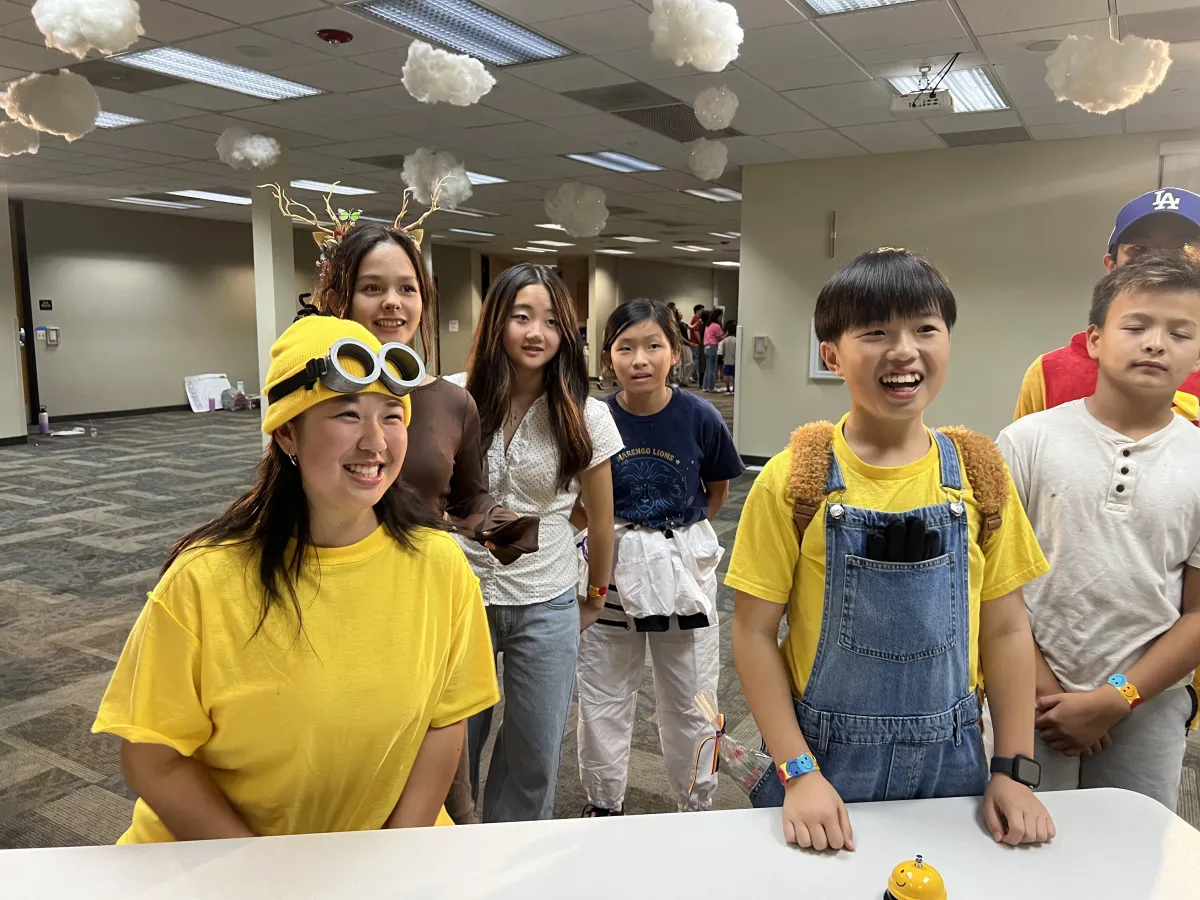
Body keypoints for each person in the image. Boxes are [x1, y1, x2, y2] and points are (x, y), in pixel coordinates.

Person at [92, 315, 499, 843]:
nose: (375, 442)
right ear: (287, 431)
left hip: (376, 859)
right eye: (348, 414)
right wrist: (262, 870)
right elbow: (152, 757)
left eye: (391, 416)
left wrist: (396, 857)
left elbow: (445, 721)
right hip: (222, 860)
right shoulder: (204, 581)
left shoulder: (439, 564)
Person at [726, 248, 1055, 852]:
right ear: (831, 354)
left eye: (925, 328)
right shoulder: (793, 481)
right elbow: (752, 632)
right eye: (875, 332)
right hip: (823, 759)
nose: (904, 350)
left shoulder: (981, 477)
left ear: (948, 340)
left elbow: (1007, 629)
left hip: (954, 757)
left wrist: (1013, 769)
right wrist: (798, 771)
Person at [310, 223, 535, 824]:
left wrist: (499, 522)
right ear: (339, 297)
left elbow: (465, 494)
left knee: (436, 763)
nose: (392, 303)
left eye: (407, 289)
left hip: (418, 595)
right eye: (372, 288)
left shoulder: (450, 401)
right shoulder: (312, 389)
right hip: (329, 590)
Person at [997, 250, 1200, 810]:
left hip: (1148, 702)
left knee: (1131, 840)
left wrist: (1116, 699)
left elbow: (1197, 612)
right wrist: (1044, 688)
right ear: (1093, 340)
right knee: (1021, 836)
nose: (1156, 343)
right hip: (1027, 691)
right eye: (1136, 326)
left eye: (1180, 332)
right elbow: (991, 585)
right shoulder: (1027, 442)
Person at [449, 263, 624, 823]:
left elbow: (601, 519)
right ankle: (446, 850)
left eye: (551, 321)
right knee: (450, 750)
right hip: (459, 595)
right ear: (496, 321)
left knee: (534, 753)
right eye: (521, 317)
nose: (536, 333)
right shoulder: (452, 397)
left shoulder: (586, 413)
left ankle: (515, 854)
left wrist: (595, 596)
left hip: (546, 597)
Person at [574, 299, 744, 817]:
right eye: (625, 348)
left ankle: (695, 803)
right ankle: (604, 803)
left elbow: (716, 491)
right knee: (604, 691)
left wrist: (670, 540)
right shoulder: (594, 417)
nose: (640, 359)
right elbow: (577, 500)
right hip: (610, 573)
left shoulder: (700, 416)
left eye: (653, 345)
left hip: (680, 576)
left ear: (675, 352)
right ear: (608, 356)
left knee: (691, 695)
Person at [1013, 187, 1200, 424]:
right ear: (1111, 266)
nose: (1160, 262)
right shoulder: (1049, 372)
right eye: (1140, 250)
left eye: (1185, 250)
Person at [702, 308, 724, 393]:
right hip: (712, 347)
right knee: (712, 368)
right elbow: (719, 338)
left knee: (708, 368)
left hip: (706, 347)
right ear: (717, 316)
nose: (721, 318)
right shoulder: (716, 326)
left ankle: (705, 386)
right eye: (721, 316)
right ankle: (711, 387)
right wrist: (727, 334)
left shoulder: (708, 325)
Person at [689, 304, 706, 385]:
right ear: (697, 311)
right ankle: (693, 375)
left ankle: (694, 375)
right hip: (695, 342)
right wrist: (700, 342)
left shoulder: (695, 319)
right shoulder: (697, 319)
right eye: (702, 310)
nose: (703, 311)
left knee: (696, 358)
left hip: (694, 342)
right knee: (697, 359)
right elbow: (696, 331)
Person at [719, 319, 737, 394]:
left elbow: (723, 350)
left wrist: (724, 357)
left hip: (726, 359)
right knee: (735, 375)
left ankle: (727, 388)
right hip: (734, 360)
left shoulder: (725, 340)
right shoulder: (736, 340)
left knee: (726, 374)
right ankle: (734, 389)